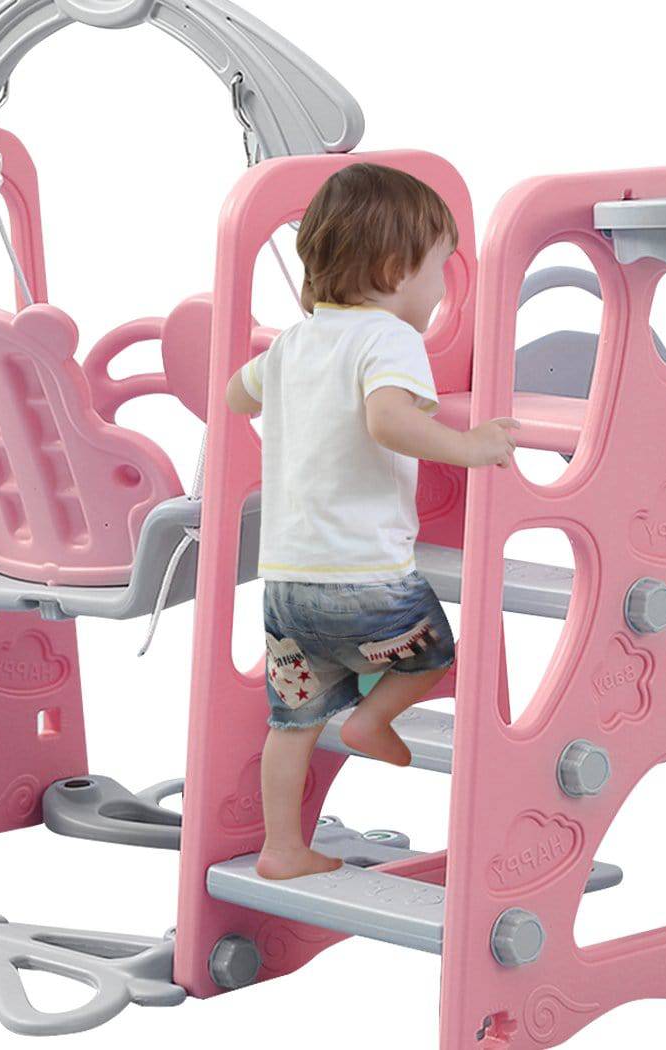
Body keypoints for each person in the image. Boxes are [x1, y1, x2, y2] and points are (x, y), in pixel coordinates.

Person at [226, 163, 519, 880]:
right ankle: (371, 718)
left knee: (293, 720)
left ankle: (281, 848)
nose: (442, 288)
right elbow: (388, 421)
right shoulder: (388, 338)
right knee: (435, 653)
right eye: (438, 269)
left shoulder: (292, 343)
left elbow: (236, 395)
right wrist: (471, 447)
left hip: (288, 586)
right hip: (365, 578)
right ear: (393, 271)